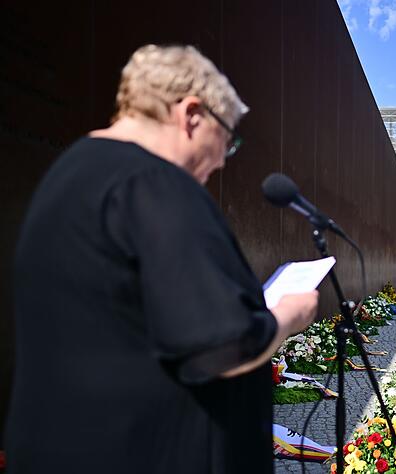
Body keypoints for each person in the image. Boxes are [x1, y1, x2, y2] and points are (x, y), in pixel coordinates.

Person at [4, 44, 319, 473]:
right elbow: (222, 342)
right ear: (192, 114)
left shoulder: (69, 173)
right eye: (227, 139)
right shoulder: (154, 183)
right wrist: (287, 316)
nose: (222, 161)